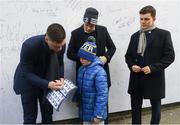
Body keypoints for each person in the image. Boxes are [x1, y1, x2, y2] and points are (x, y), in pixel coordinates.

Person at [125, 5, 175, 124]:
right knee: (135, 109)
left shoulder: (163, 35)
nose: (143, 22)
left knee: (156, 108)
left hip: (154, 78)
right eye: (141, 19)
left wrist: (152, 68)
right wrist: (132, 66)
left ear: (154, 18)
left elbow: (169, 57)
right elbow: (128, 56)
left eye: (146, 19)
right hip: (136, 78)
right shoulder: (135, 36)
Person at [67, 7, 116, 124]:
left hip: (101, 75)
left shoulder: (103, 31)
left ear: (96, 24)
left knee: (102, 103)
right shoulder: (75, 33)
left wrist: (106, 57)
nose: (89, 28)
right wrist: (84, 58)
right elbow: (69, 53)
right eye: (87, 25)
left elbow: (112, 47)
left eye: (92, 26)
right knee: (84, 105)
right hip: (84, 77)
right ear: (84, 21)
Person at [13, 23, 66, 124]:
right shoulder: (29, 46)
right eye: (56, 46)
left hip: (48, 79)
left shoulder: (61, 44)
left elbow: (60, 63)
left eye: (61, 46)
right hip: (28, 83)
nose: (59, 49)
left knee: (48, 115)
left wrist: (61, 77)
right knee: (30, 118)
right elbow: (27, 73)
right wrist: (47, 84)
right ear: (47, 39)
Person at [77, 37, 108, 125]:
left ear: (91, 58)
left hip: (96, 115)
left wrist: (98, 115)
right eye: (80, 57)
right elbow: (80, 88)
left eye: (84, 58)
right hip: (85, 113)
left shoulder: (99, 72)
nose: (81, 60)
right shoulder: (81, 69)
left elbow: (102, 94)